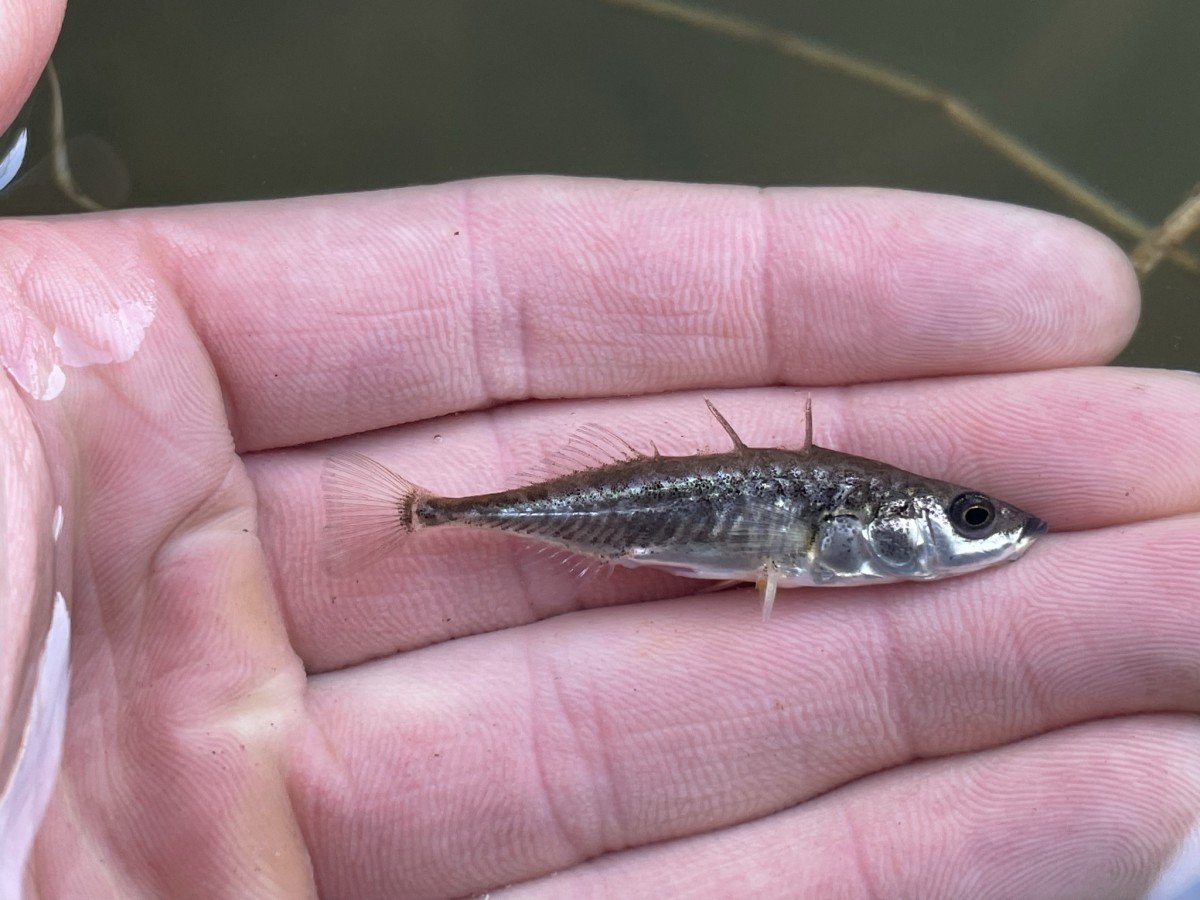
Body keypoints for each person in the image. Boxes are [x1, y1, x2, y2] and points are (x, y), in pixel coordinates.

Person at [2, 3, 1198, 898]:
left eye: (973, 519)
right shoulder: (827, 514)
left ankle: (437, 514)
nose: (986, 532)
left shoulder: (836, 517)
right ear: (884, 519)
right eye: (969, 519)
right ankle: (431, 515)